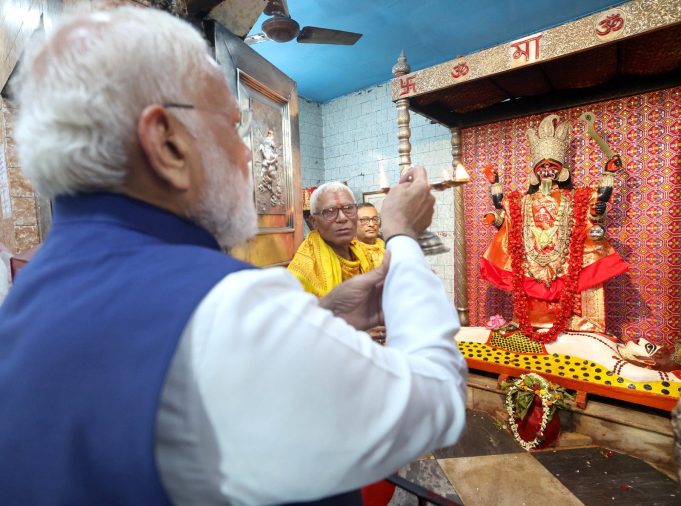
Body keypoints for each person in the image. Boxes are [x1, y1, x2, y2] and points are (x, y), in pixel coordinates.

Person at [0, 7, 467, 506]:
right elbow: (437, 398)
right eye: (230, 125)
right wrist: (403, 236)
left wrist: (323, 318)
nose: (248, 155)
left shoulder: (27, 296)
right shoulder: (219, 307)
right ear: (166, 143)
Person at [480, 114, 628, 343]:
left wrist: (608, 173)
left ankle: (579, 325)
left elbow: (599, 199)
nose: (547, 170)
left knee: (578, 279)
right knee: (527, 286)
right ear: (535, 172)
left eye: (552, 166)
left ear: (562, 170)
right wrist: (495, 184)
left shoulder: (575, 197)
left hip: (566, 257)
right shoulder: (523, 200)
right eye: (542, 166)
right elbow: (503, 206)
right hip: (531, 257)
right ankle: (530, 323)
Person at [287, 182, 375, 297]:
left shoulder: (365, 252)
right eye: (330, 211)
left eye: (348, 208)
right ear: (314, 222)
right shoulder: (303, 271)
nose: (342, 218)